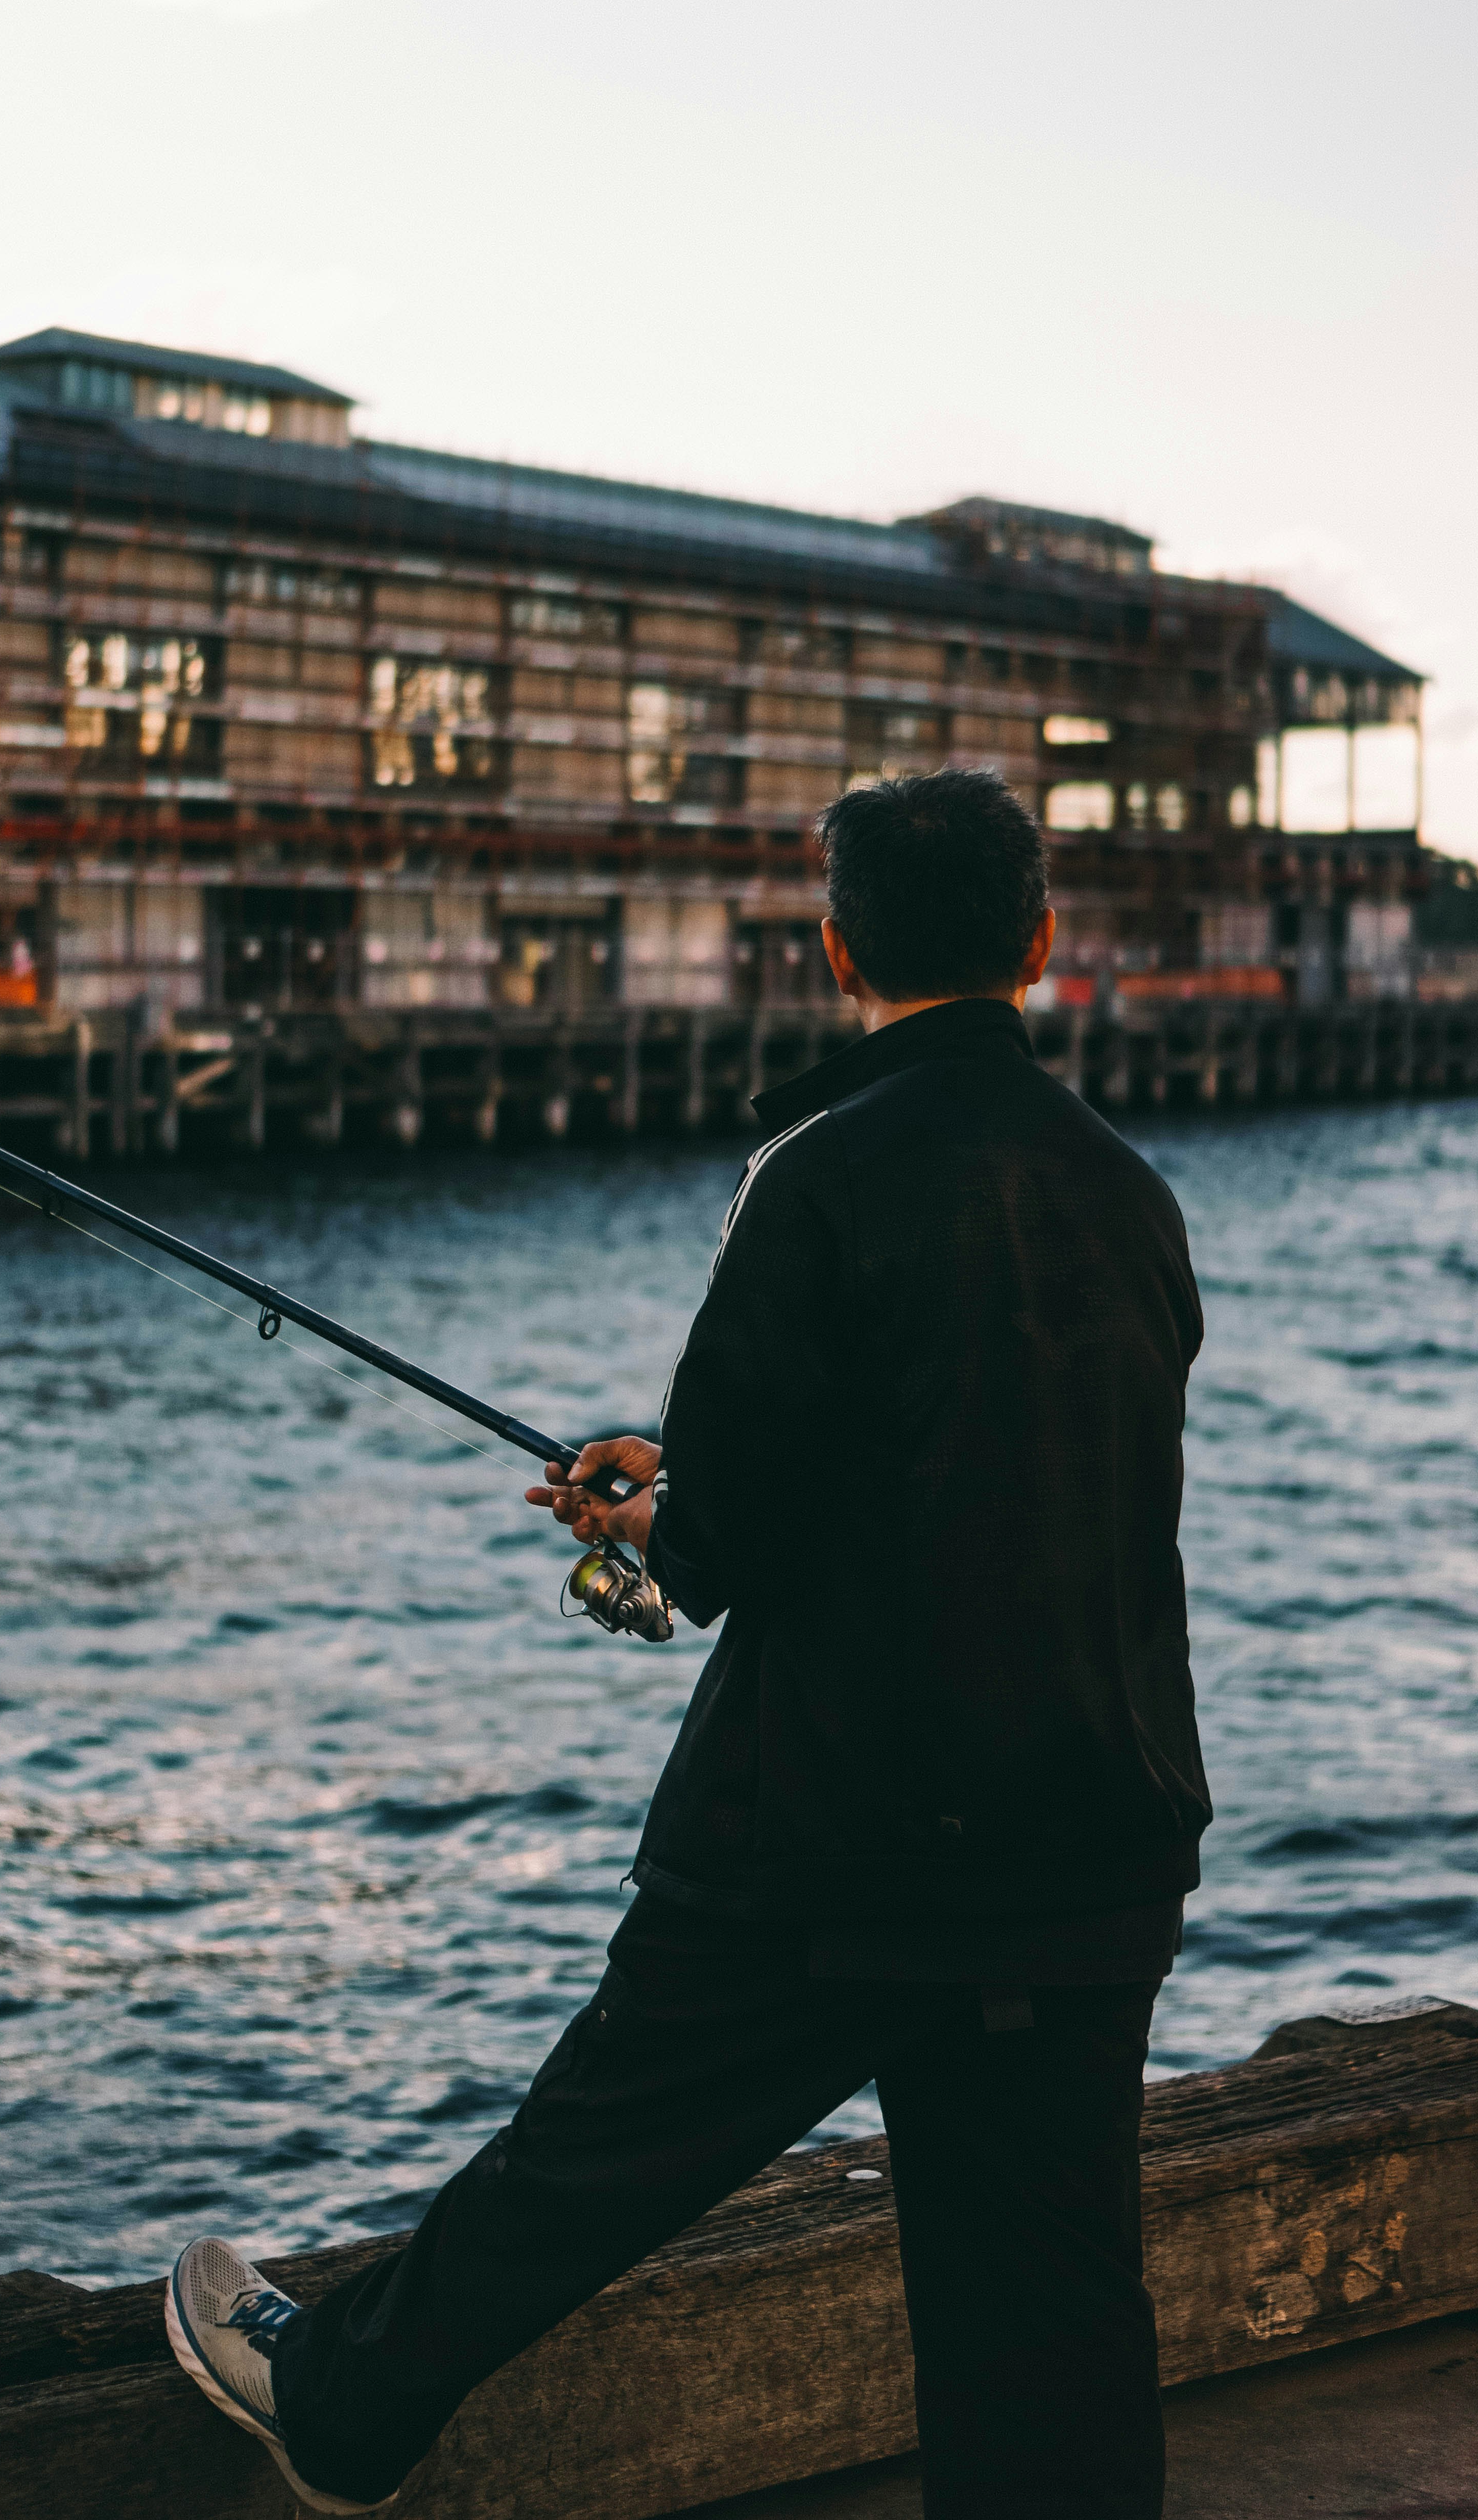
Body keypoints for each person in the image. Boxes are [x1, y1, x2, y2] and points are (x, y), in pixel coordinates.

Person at [165, 769, 1210, 2520]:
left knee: (592, 2149)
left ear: (835, 949)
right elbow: (992, 1472)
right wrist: (697, 1490)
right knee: (1050, 2316)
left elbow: (725, 1545)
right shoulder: (1127, 1193)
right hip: (1091, 1832)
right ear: (1037, 944)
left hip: (840, 1836)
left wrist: (647, 1507)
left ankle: (338, 2406)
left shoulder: (817, 1175)